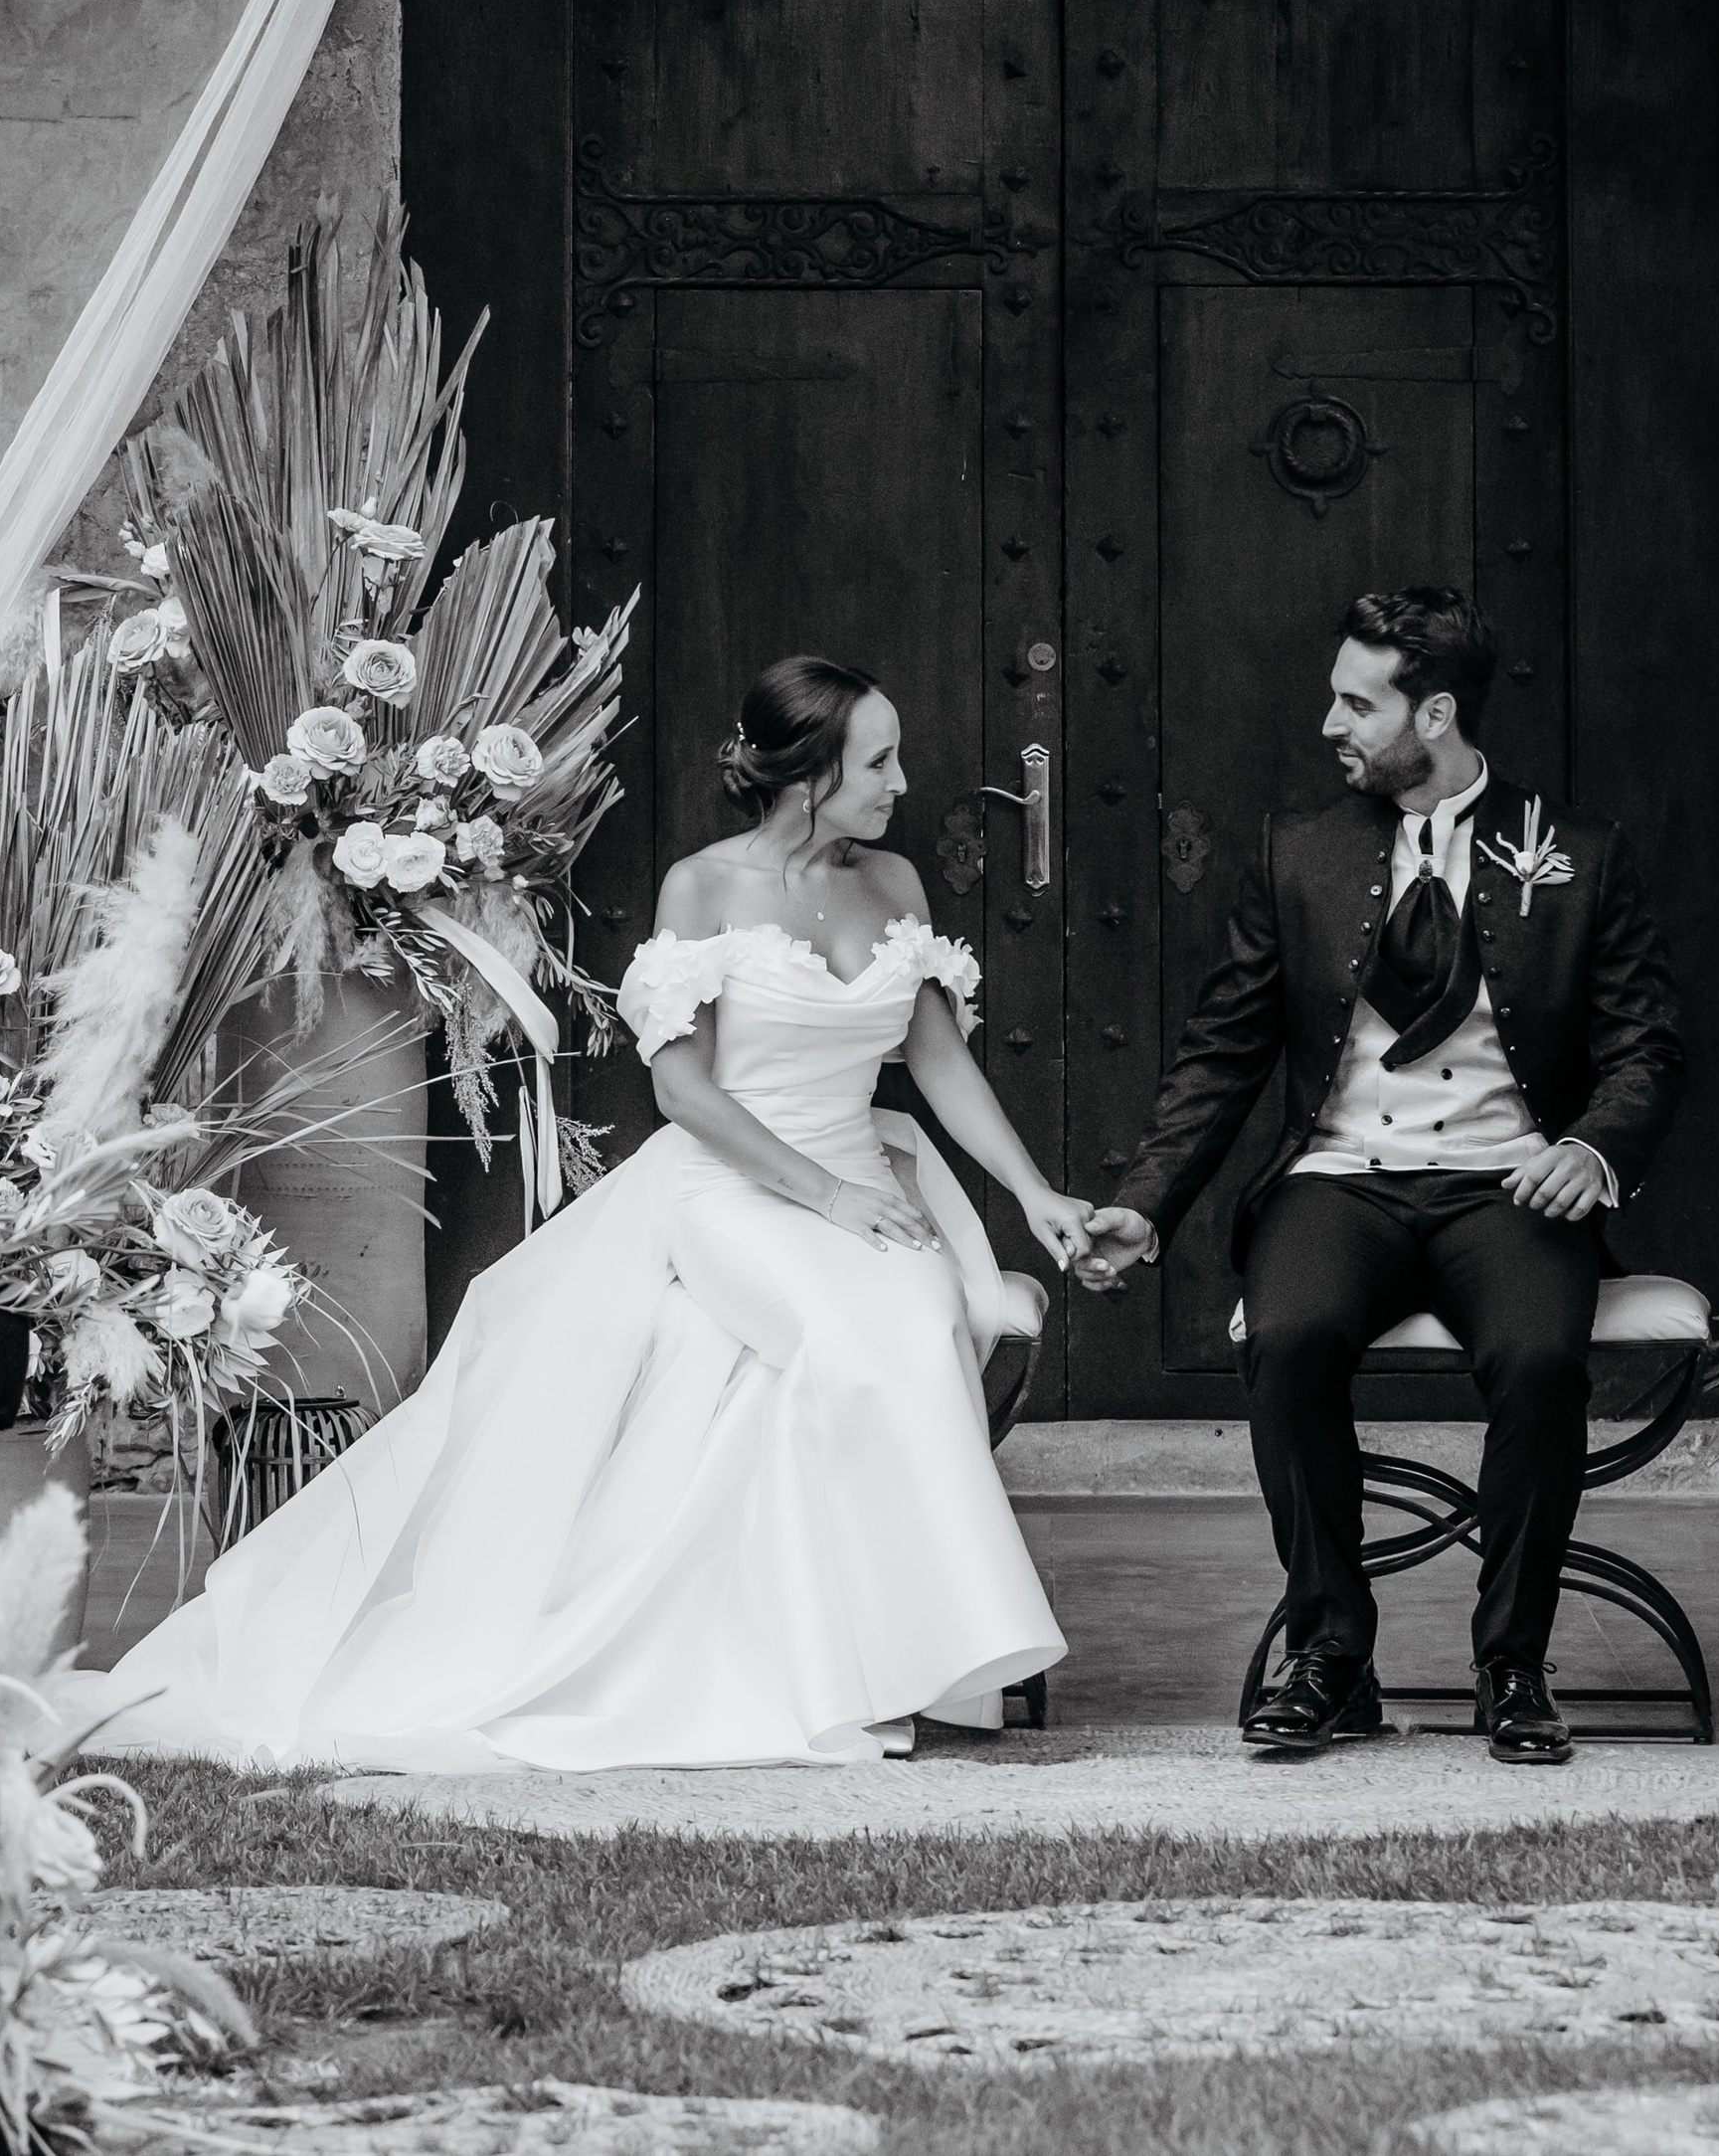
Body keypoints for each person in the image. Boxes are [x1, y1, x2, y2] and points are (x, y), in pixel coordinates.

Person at [94, 656, 1085, 1768]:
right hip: (736, 1189)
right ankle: (852, 1670)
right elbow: (684, 1089)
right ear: (806, 780)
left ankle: (925, 1652)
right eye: (880, 760)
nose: (901, 781)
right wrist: (827, 1197)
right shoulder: (702, 889)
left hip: (865, 1175)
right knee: (851, 1334)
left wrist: (1035, 1194)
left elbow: (938, 1059)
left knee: (916, 1316)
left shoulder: (896, 882)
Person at [1078, 588, 1686, 1767]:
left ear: (1437, 711)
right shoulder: (1294, 853)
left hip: (1508, 1182)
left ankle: (1511, 1658)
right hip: (1340, 1178)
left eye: (1358, 701)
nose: (1330, 723)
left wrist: (1591, 1146)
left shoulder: (1582, 854)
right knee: (1289, 1335)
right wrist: (1145, 1201)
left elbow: (1647, 1045)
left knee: (1541, 1356)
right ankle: (1330, 1648)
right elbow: (1223, 1050)